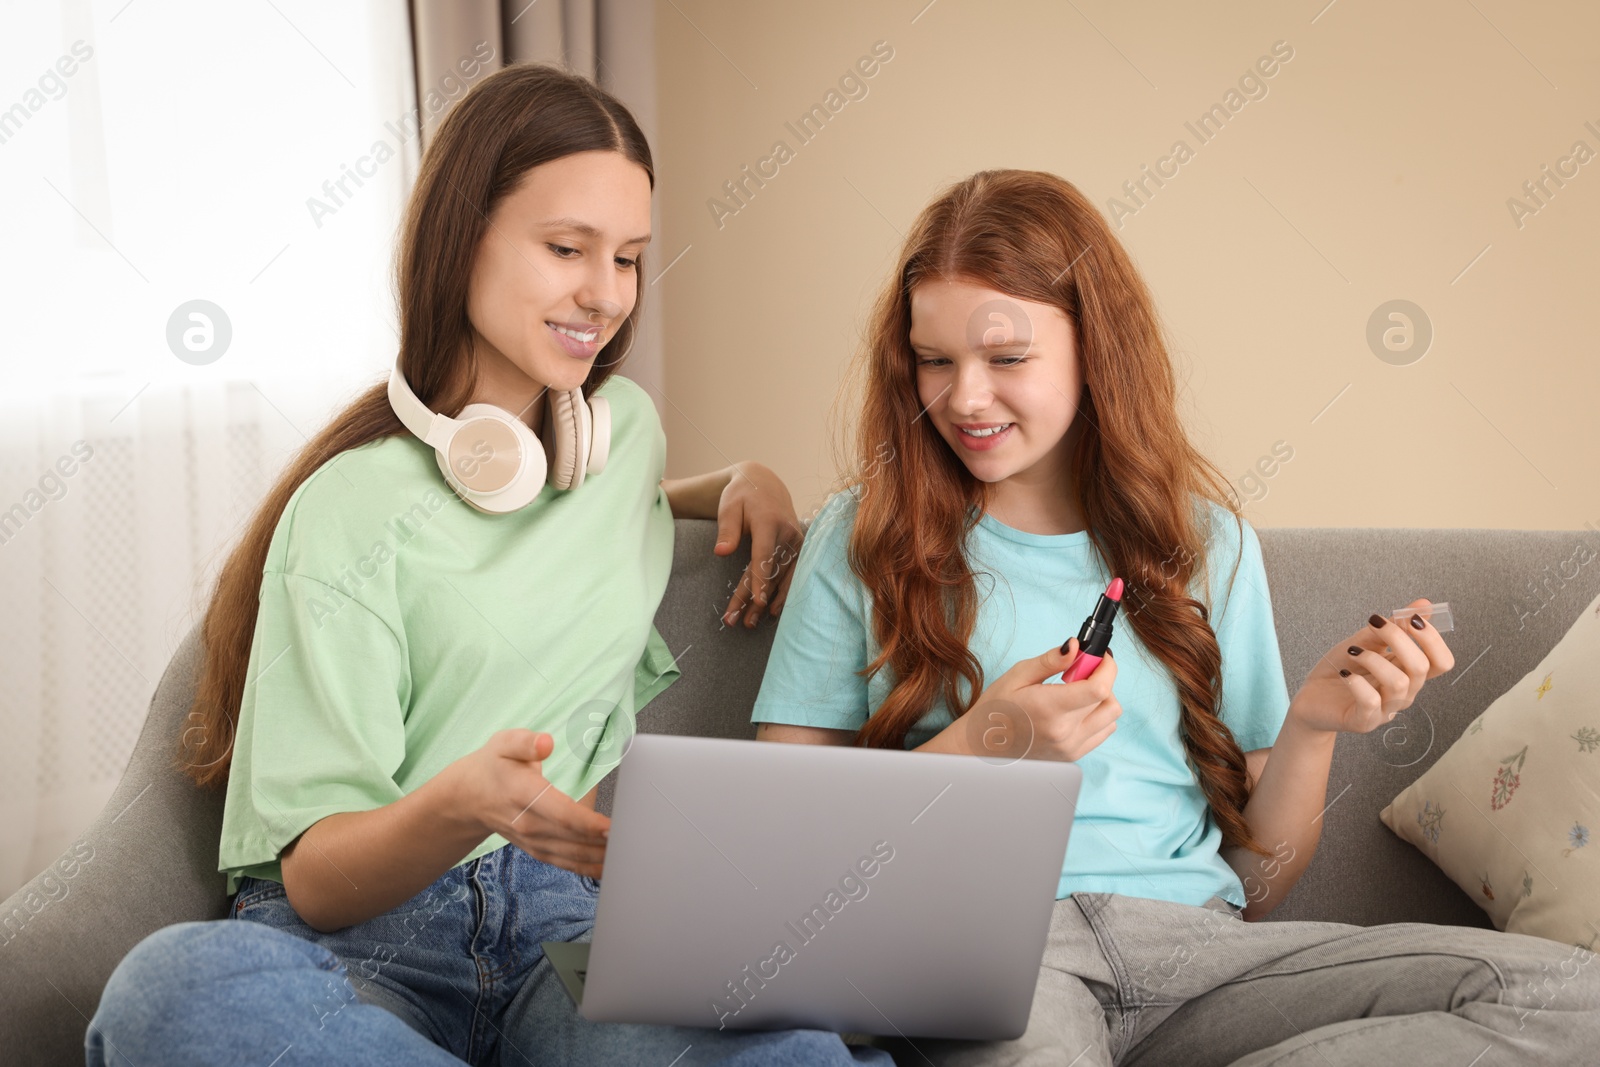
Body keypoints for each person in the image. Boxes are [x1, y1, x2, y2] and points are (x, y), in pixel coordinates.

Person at [86, 63, 889, 1067]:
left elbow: (636, 495)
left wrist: (746, 478)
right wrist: (458, 801)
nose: (604, 293)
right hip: (360, 942)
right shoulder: (346, 509)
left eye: (630, 258)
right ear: (460, 240)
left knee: (794, 1047)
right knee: (171, 992)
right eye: (565, 248)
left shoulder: (618, 436)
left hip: (571, 933)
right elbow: (318, 881)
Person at [751, 168, 1600, 1065]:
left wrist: (1313, 726)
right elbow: (782, 849)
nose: (963, 397)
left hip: (1202, 956)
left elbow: (1259, 886)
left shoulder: (1210, 543)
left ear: (1095, 351)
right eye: (935, 359)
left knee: (1566, 995)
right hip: (990, 949)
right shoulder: (862, 536)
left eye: (1005, 359)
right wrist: (988, 740)